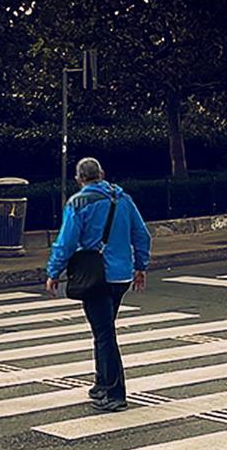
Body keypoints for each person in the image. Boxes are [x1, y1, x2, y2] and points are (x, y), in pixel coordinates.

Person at [46, 157, 151, 413]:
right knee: (103, 329)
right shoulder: (123, 199)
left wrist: (53, 271)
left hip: (95, 277)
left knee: (104, 334)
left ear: (79, 179)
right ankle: (101, 383)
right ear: (102, 174)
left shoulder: (78, 202)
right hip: (122, 276)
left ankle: (115, 392)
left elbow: (66, 242)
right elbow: (141, 234)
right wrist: (141, 266)